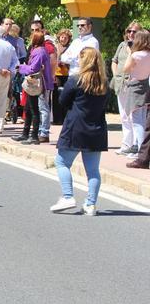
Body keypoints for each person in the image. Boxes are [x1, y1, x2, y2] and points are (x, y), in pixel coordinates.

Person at [50, 48, 108, 216]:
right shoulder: (104, 83)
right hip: (96, 128)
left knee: (62, 162)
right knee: (93, 170)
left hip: (75, 126)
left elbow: (63, 100)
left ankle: (68, 196)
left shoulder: (76, 80)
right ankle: (91, 204)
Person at [16, 31, 53, 144]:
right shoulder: (39, 50)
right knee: (28, 108)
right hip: (36, 84)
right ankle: (26, 133)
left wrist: (21, 68)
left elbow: (34, 69)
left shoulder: (39, 52)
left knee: (35, 110)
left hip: (38, 84)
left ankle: (34, 136)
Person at [111, 22, 143, 155]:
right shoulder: (122, 45)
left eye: (134, 31)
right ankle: (126, 144)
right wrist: (116, 75)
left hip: (133, 85)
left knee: (133, 116)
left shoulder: (141, 48)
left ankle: (136, 145)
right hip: (120, 84)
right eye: (129, 31)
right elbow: (115, 61)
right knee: (124, 115)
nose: (131, 34)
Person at [119, 29, 150, 159]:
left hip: (135, 85)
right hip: (145, 84)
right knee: (142, 118)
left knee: (136, 120)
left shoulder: (136, 55)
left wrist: (130, 53)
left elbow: (125, 68)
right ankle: (138, 146)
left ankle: (140, 151)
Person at [0, 25, 17, 135]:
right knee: (2, 101)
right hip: (6, 75)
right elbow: (16, 61)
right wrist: (9, 70)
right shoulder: (9, 45)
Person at [52, 28, 73, 125]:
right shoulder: (55, 47)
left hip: (67, 74)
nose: (63, 39)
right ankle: (57, 119)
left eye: (65, 37)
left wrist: (65, 64)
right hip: (56, 75)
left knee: (66, 96)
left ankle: (65, 118)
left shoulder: (71, 48)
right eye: (62, 37)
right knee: (56, 97)